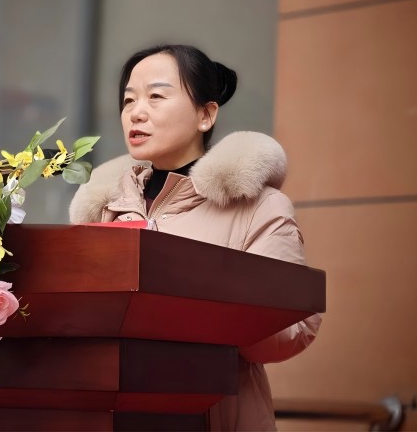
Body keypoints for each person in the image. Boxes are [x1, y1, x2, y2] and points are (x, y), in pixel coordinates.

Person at [69, 44, 321, 432]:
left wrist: (197, 300)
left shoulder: (259, 207)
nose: (136, 112)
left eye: (156, 96)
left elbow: (294, 331)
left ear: (206, 115)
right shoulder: (107, 208)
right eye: (129, 100)